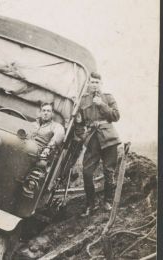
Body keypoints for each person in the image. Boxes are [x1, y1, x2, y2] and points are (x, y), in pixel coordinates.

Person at [75, 72, 120, 217]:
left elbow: (116, 116)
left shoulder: (108, 97)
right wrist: (83, 137)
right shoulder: (82, 101)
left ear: (101, 84)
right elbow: (79, 124)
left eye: (97, 82)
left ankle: (107, 201)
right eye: (92, 82)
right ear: (88, 83)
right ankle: (90, 205)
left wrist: (102, 104)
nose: (94, 85)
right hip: (92, 139)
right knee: (87, 172)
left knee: (109, 172)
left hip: (109, 139)